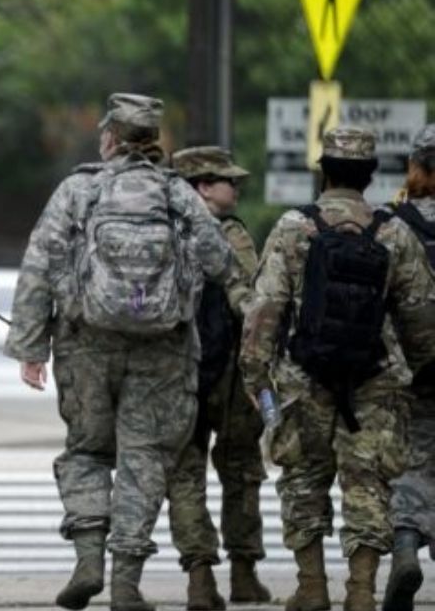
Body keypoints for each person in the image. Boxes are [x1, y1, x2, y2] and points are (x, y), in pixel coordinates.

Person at [7, 93, 230, 611]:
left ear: (108, 138)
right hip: (164, 350)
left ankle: (87, 560)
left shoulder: (79, 190)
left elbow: (39, 265)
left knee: (86, 450)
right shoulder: (177, 194)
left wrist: (30, 347)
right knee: (144, 458)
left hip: (86, 345)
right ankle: (126, 583)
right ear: (156, 141)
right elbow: (219, 261)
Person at [240, 126, 435, 611]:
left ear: (323, 171)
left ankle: (310, 588)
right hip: (374, 379)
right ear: (370, 176)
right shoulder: (394, 230)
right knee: (368, 483)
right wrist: (421, 371)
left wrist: (255, 374)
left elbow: (265, 309)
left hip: (302, 377)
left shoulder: (293, 227)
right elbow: (420, 316)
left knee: (302, 478)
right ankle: (362, 592)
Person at [166, 146, 270, 609]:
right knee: (241, 470)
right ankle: (244, 574)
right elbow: (252, 304)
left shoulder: (159, 231)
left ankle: (200, 578)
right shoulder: (231, 234)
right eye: (229, 180)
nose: (237, 187)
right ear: (203, 186)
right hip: (228, 372)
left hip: (174, 372)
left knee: (185, 475)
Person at [383, 124, 435, 611]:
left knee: (411, 460)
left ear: (416, 167)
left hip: (408, 366)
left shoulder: (392, 224)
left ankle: (404, 545)